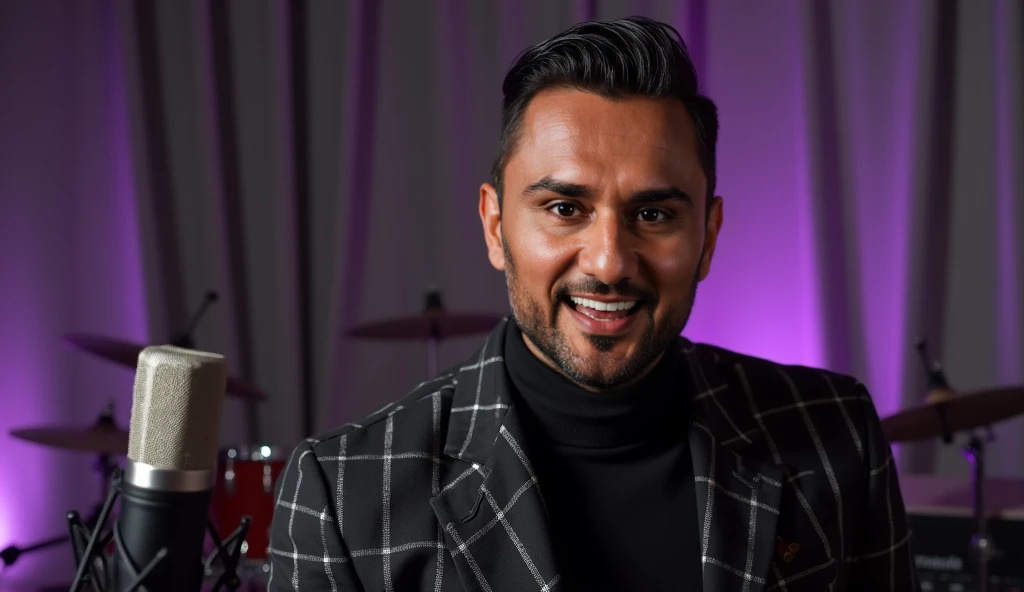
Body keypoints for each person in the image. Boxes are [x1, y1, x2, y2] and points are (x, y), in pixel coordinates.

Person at [268, 16, 918, 591]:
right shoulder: (344, 491)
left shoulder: (837, 433)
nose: (608, 262)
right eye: (564, 208)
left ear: (708, 236)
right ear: (496, 227)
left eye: (654, 212)